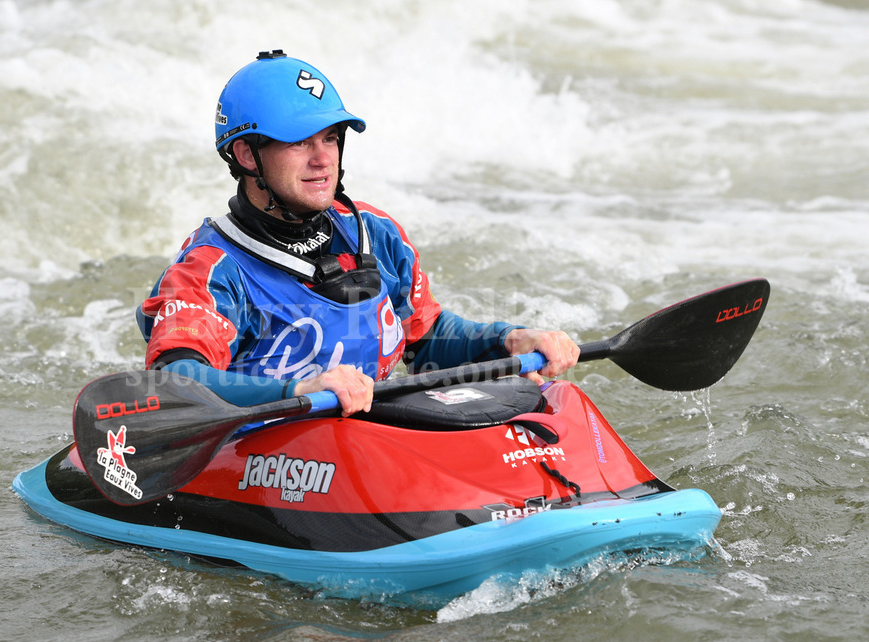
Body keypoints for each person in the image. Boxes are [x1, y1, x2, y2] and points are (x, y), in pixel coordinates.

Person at [137, 50, 579, 416]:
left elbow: (423, 340)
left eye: (329, 138)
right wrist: (299, 389)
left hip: (366, 442)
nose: (322, 159)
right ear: (247, 156)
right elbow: (177, 380)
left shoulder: (374, 233)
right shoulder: (211, 268)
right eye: (299, 142)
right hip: (266, 453)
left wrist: (507, 341)